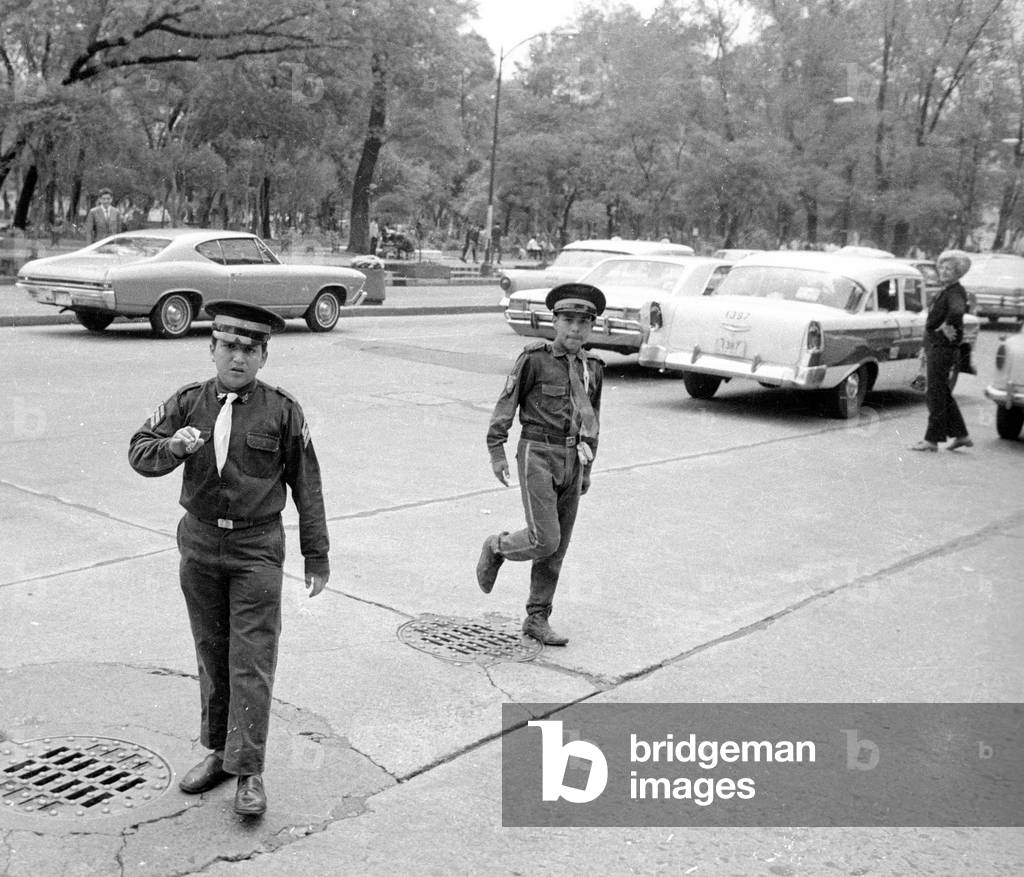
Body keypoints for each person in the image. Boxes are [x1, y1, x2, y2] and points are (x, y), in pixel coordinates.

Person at [128, 301, 330, 817]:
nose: (237, 358)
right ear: (211, 348)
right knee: (212, 653)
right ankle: (220, 753)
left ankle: (249, 772)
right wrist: (172, 446)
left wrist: (317, 553)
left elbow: (307, 486)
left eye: (250, 349)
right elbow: (139, 451)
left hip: (256, 548)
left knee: (252, 660)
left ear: (264, 356)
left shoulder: (283, 410)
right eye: (229, 347)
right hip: (198, 545)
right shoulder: (188, 402)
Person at [477, 282, 606, 646]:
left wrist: (588, 469)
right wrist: (497, 450)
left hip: (573, 459)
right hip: (537, 453)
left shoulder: (593, 367)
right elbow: (507, 403)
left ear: (592, 327)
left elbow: (593, 420)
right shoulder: (534, 360)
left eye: (584, 322)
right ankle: (497, 547)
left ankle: (537, 618)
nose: (575, 329)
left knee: (558, 546)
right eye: (567, 320)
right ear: (554, 321)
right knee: (544, 539)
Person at [910, 249, 973, 452]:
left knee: (935, 394)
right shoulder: (947, 290)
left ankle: (932, 440)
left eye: (949, 269)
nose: (944, 272)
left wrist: (947, 325)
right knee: (942, 393)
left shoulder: (954, 292)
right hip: (936, 347)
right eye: (942, 268)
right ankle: (961, 435)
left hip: (943, 349)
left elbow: (956, 311)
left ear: (958, 273)